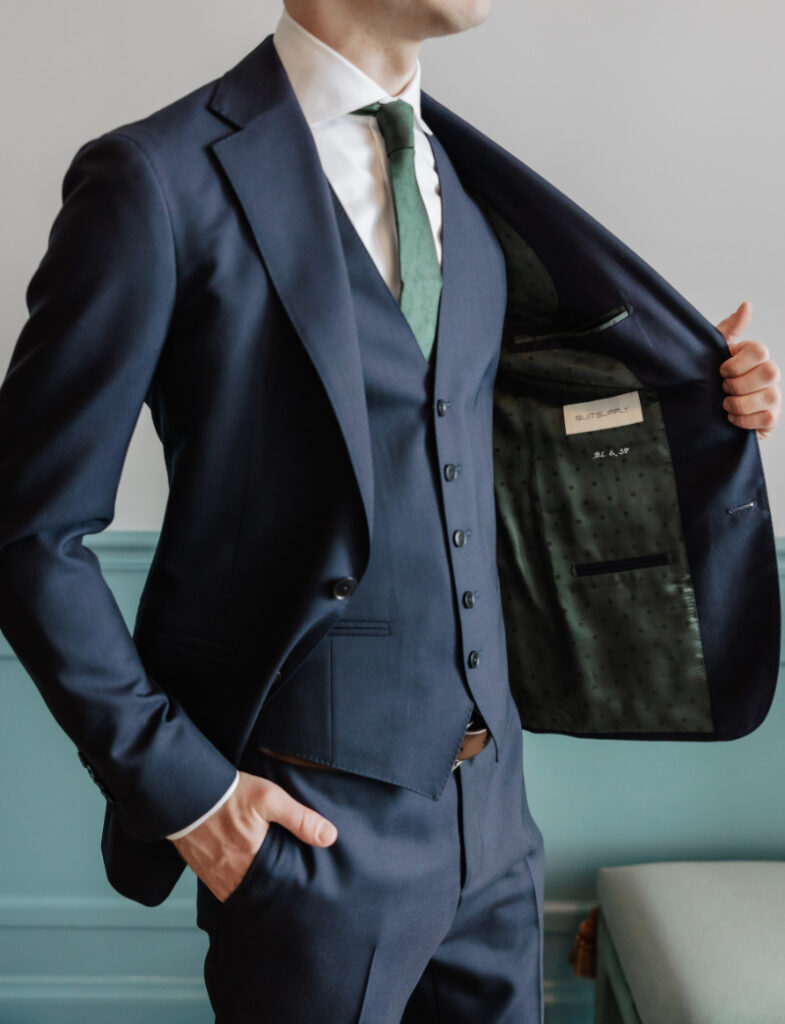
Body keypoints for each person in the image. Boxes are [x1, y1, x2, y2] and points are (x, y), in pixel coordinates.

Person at [0, 1, 781, 1021]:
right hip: (307, 835)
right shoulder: (155, 180)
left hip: (493, 824)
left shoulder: (461, 179)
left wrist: (701, 402)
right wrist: (187, 793)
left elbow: (495, 434)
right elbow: (28, 530)